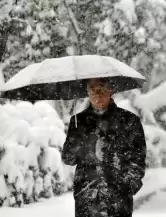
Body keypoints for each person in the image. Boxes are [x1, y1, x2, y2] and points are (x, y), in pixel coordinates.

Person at [62, 78, 147, 217]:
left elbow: (138, 159)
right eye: (92, 89)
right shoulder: (78, 122)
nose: (97, 94)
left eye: (101, 88)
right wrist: (77, 139)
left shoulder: (129, 121)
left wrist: (126, 186)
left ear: (111, 90)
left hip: (118, 200)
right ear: (87, 92)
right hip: (86, 199)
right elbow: (68, 158)